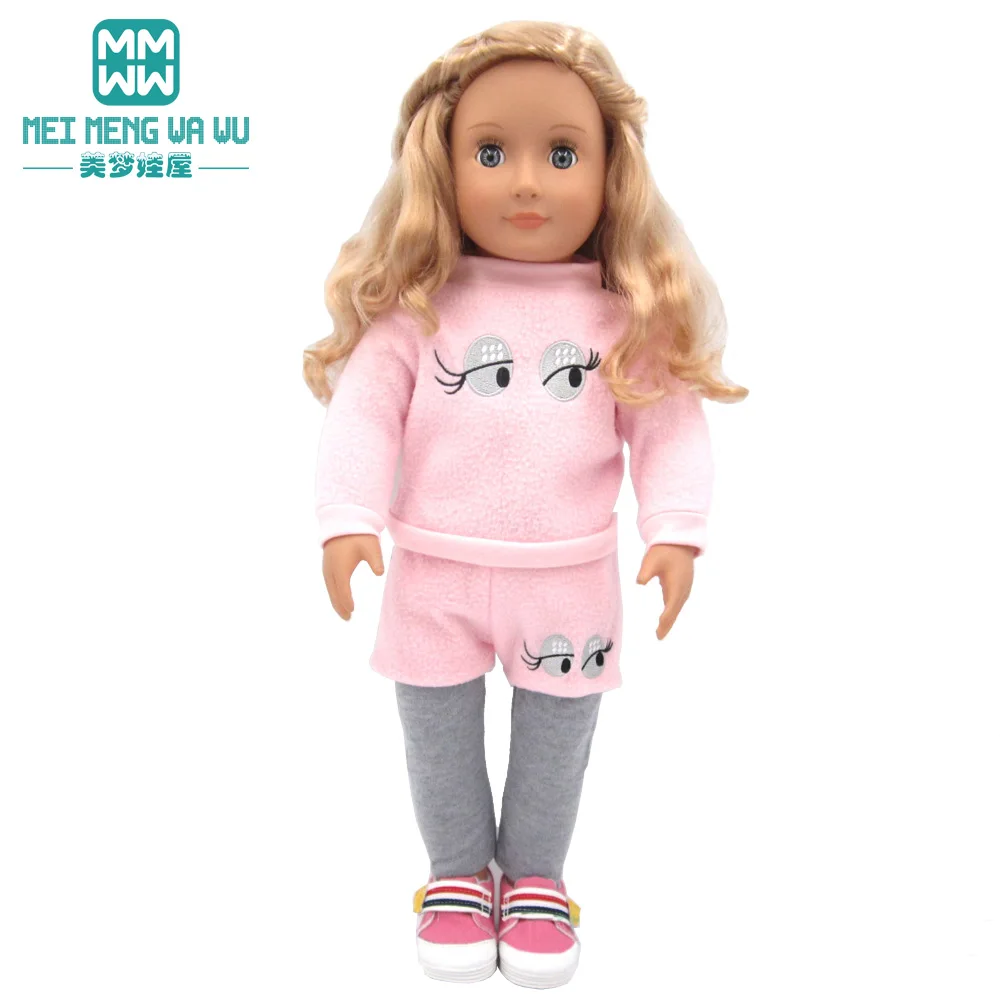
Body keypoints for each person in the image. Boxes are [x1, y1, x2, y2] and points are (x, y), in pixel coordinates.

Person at [303, 20, 747, 989]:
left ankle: (537, 877)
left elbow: (668, 429)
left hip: (568, 579)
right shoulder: (416, 311)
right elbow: (362, 415)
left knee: (557, 737)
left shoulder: (623, 316)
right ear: (443, 165)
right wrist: (347, 518)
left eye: (563, 154)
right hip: (433, 571)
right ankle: (458, 874)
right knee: (436, 735)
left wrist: (675, 531)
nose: (528, 183)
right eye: (492, 153)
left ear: (611, 171)